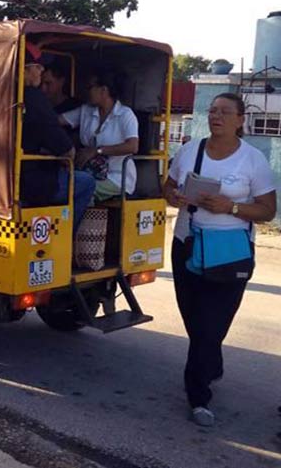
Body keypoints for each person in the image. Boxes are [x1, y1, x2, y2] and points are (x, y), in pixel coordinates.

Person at [163, 93, 276, 426]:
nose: (216, 116)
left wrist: (232, 207)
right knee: (195, 321)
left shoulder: (253, 160)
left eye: (225, 112)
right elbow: (165, 186)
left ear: (240, 120)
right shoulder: (189, 150)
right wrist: (175, 196)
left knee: (212, 325)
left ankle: (198, 396)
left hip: (230, 253)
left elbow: (268, 210)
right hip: (187, 245)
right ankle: (210, 362)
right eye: (213, 111)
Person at [20, 43, 96, 232]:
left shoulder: (0, 92)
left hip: (1, 180)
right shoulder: (33, 98)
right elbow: (65, 148)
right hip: (30, 179)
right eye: (37, 66)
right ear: (24, 69)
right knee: (86, 182)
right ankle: (66, 236)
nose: (41, 70)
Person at [62, 68, 139, 202]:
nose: (87, 91)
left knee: (80, 191)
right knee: (61, 184)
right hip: (87, 172)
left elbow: (132, 146)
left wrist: (97, 151)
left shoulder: (126, 115)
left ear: (103, 90)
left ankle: (77, 223)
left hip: (116, 177)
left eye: (90, 87)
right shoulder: (86, 110)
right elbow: (59, 120)